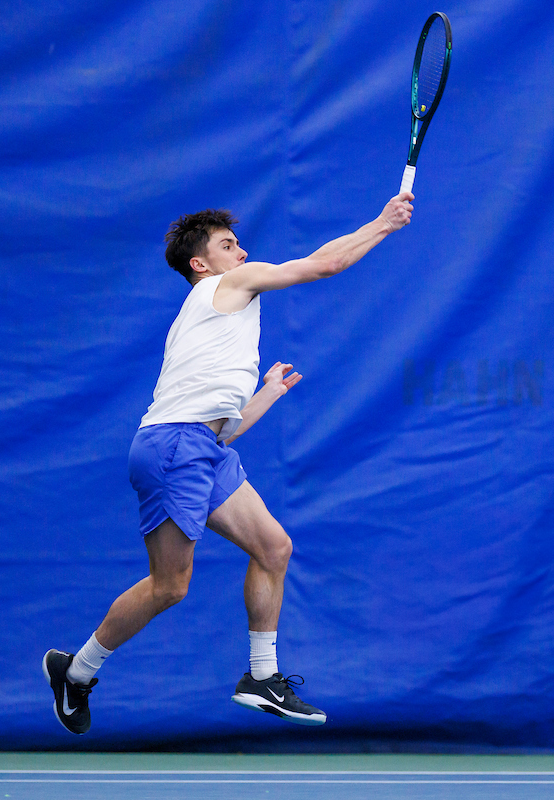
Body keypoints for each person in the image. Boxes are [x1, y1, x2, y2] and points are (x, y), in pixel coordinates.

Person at [43, 192, 414, 735]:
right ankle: (75, 670)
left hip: (203, 447)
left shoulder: (213, 318)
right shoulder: (230, 284)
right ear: (201, 264)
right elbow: (325, 264)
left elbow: (225, 427)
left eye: (239, 244)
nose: (241, 252)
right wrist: (382, 223)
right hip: (175, 447)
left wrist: (266, 394)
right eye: (227, 245)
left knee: (274, 548)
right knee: (170, 586)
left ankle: (261, 678)